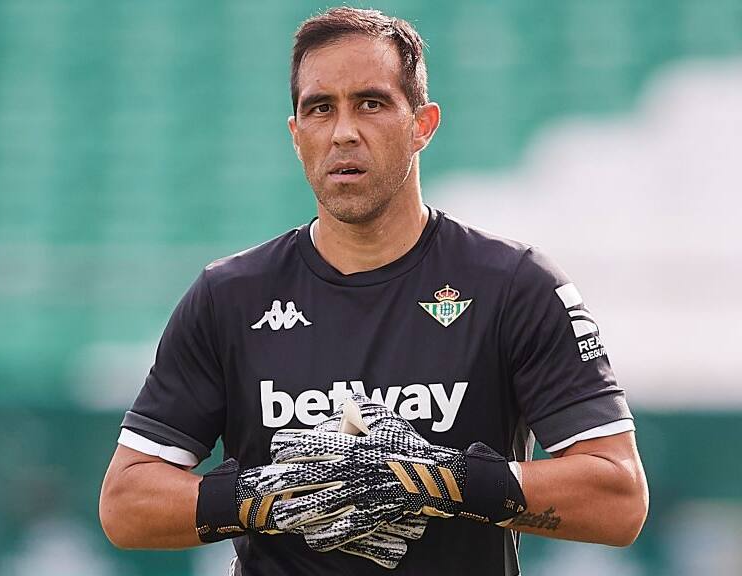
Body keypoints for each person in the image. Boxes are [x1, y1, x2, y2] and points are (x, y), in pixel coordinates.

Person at [99, 7, 648, 575]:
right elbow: (126, 503)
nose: (343, 132)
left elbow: (619, 499)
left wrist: (436, 482)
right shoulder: (230, 296)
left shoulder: (515, 284)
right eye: (320, 108)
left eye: (371, 103)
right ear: (296, 135)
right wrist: (269, 497)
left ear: (422, 125)